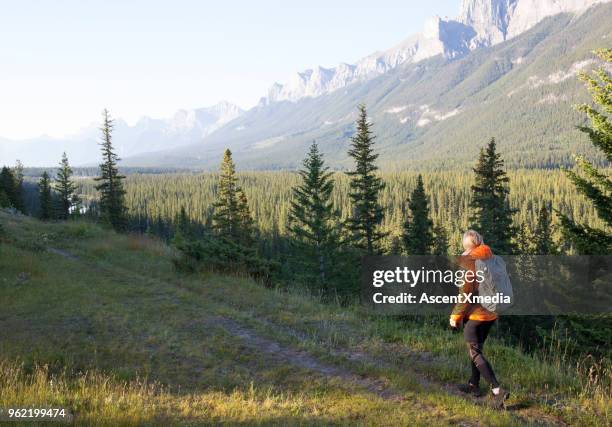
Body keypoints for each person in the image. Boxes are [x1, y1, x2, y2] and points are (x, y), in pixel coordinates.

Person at [451, 230, 510, 409]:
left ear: (466, 247)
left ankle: (498, 390)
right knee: (477, 348)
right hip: (491, 314)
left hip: (476, 315)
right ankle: (473, 384)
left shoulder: (470, 263)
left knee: (474, 352)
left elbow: (465, 294)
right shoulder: (492, 259)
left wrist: (455, 316)